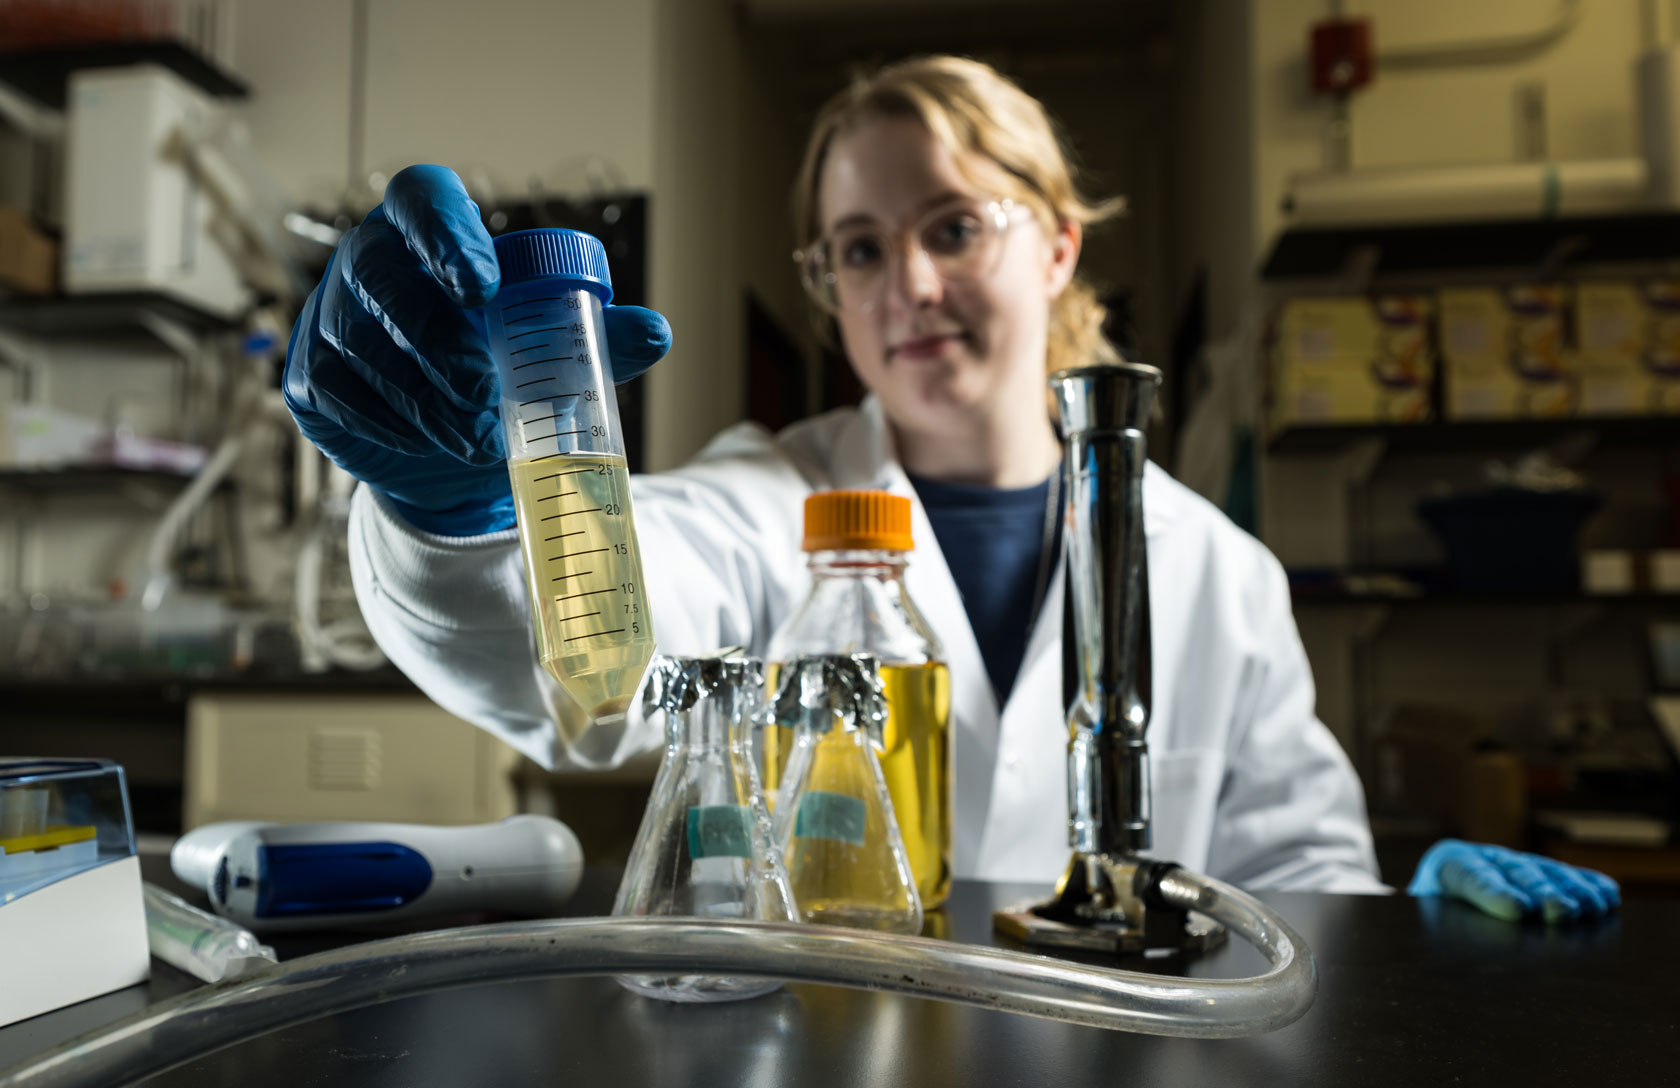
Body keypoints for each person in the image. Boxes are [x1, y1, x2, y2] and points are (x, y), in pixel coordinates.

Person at [284, 55, 1616, 919]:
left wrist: (1406, 917)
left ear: (1056, 244)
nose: (906, 287)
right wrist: (463, 514)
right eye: (858, 250)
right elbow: (602, 667)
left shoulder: (1219, 572)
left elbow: (1300, 883)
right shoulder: (772, 498)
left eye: (953, 227)